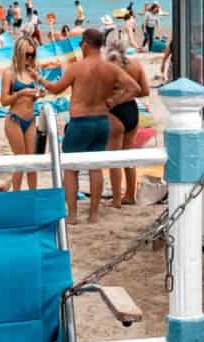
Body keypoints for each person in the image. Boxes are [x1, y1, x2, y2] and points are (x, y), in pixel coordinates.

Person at [39, 28, 140, 223]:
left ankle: (73, 215)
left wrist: (39, 78)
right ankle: (93, 214)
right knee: (95, 168)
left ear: (85, 44)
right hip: (102, 121)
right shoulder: (110, 68)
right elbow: (134, 88)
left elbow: (56, 89)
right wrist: (115, 101)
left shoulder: (77, 68)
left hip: (80, 121)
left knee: (71, 168)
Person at [105, 36, 150, 207]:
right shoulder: (136, 65)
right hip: (131, 110)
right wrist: (127, 95)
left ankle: (117, 199)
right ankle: (130, 195)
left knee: (114, 158)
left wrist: (116, 99)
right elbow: (145, 91)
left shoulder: (108, 65)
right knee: (129, 155)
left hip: (114, 112)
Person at [0, 37, 45, 192]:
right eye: (27, 55)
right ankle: (16, 195)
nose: (30, 58)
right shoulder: (9, 73)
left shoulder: (32, 72)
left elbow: (31, 98)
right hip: (15, 119)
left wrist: (38, 95)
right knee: (20, 161)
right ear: (19, 53)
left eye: (32, 55)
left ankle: (33, 195)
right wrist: (21, 93)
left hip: (30, 119)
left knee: (31, 162)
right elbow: (4, 101)